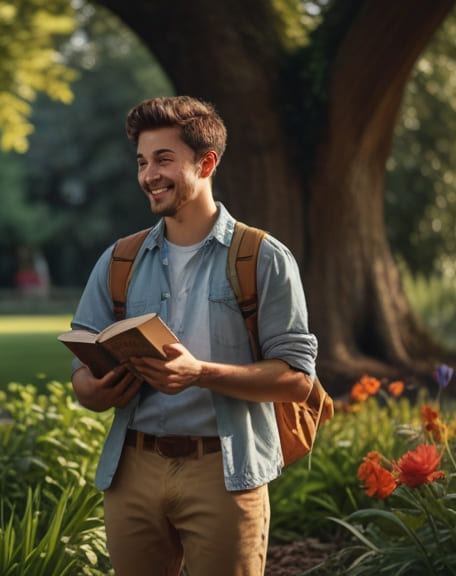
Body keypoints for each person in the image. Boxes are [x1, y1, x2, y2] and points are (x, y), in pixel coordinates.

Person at [68, 95, 318, 575]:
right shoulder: (118, 260)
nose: (149, 175)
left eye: (164, 159)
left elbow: (296, 380)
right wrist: (94, 389)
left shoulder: (262, 258)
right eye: (142, 162)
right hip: (133, 470)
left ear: (206, 163)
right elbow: (81, 375)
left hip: (223, 470)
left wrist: (199, 373)